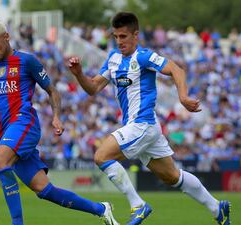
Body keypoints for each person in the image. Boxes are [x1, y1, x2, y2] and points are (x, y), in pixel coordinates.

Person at [67, 12, 231, 225]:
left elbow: (175, 69)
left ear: (136, 35)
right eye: (116, 36)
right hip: (143, 128)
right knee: (172, 177)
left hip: (142, 124)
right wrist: (79, 74)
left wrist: (182, 96)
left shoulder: (143, 56)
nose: (119, 41)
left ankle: (138, 205)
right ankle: (217, 207)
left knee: (101, 156)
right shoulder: (113, 59)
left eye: (124, 36)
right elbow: (93, 87)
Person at [0, 20, 119, 225]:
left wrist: (57, 116)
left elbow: (52, 90)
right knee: (44, 190)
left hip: (25, 123)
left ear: (6, 37)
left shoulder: (26, 61)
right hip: (8, 131)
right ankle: (101, 209)